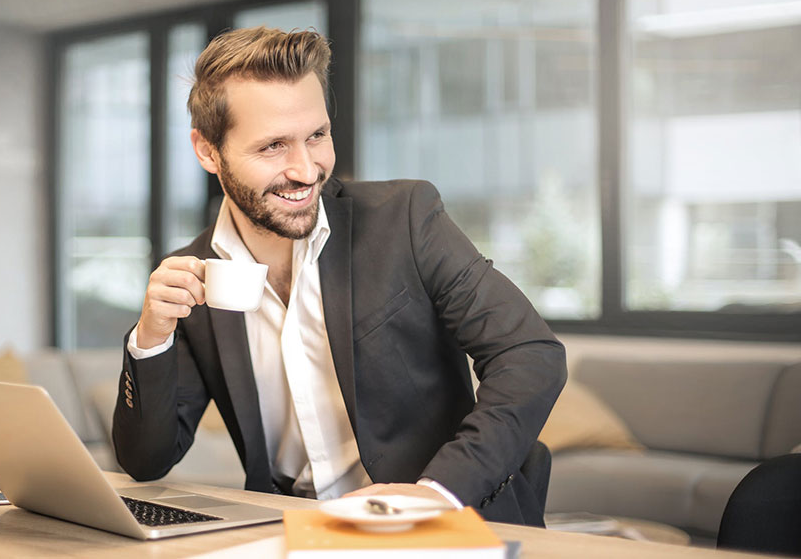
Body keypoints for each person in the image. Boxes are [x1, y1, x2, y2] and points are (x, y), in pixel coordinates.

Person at [112, 26, 567, 526]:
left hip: (437, 526)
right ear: (208, 152)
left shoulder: (405, 219)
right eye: (273, 147)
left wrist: (438, 491)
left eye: (317, 136)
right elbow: (146, 461)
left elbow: (529, 354)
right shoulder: (194, 275)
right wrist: (151, 338)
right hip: (292, 531)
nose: (306, 169)